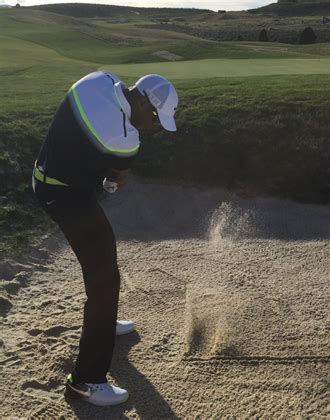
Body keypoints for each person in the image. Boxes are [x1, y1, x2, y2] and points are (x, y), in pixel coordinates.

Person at [32, 71, 178, 406]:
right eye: (155, 117)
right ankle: (85, 381)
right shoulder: (125, 138)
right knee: (104, 281)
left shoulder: (95, 80)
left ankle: (105, 321)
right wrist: (112, 181)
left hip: (47, 176)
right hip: (65, 195)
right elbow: (116, 178)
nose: (154, 127)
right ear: (141, 99)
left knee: (104, 265)